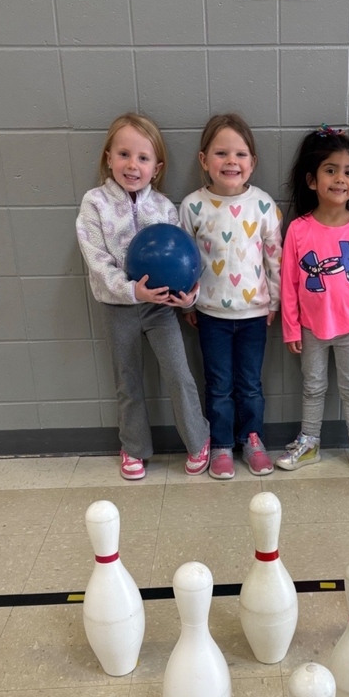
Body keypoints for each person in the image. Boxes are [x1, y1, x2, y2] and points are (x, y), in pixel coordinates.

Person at [76, 112, 210, 481]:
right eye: (124, 154)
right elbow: (96, 260)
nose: (132, 165)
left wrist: (187, 297)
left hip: (160, 309)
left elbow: (185, 258)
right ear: (109, 158)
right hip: (117, 308)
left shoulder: (164, 208)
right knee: (128, 381)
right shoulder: (94, 203)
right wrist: (130, 289)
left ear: (157, 167)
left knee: (179, 375)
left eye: (143, 158)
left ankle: (198, 440)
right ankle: (133, 447)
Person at [179, 113, 282, 480]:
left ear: (252, 162)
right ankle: (221, 444)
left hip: (254, 314)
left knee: (250, 385)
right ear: (204, 160)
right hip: (210, 316)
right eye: (221, 153)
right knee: (219, 385)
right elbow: (185, 262)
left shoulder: (264, 205)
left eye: (240, 154)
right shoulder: (193, 206)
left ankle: (252, 439)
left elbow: (275, 257)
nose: (231, 161)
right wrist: (188, 303)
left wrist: (274, 301)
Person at [276, 126, 349, 477]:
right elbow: (289, 284)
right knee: (313, 386)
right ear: (312, 180)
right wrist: (291, 328)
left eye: (348, 172)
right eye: (331, 170)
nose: (340, 179)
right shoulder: (298, 229)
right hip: (310, 327)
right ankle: (309, 442)